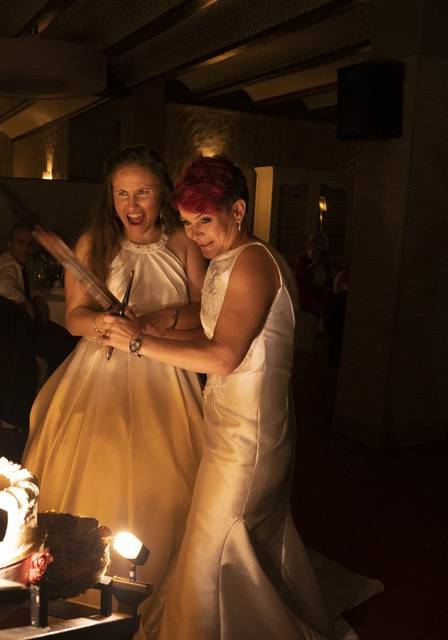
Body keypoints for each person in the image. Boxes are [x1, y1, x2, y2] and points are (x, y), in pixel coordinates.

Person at [104, 156, 377, 640]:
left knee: (213, 550)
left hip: (248, 441)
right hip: (238, 427)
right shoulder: (231, 257)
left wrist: (137, 343)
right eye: (188, 224)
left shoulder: (252, 262)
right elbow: (213, 324)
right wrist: (159, 321)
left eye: (204, 221)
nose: (196, 235)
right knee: (240, 540)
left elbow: (225, 356)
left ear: (238, 209)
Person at [22, 145, 206, 640]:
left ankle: (153, 583)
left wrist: (154, 321)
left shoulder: (184, 245)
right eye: (122, 193)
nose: (132, 203)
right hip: (98, 372)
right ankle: (78, 584)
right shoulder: (91, 245)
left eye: (142, 192)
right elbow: (73, 317)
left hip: (164, 369)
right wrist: (101, 322)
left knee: (167, 476)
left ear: (162, 193)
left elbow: (203, 313)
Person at [0, 223, 76, 373]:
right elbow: (2, 287)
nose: (26, 248)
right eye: (21, 242)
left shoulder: (14, 263)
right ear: (10, 244)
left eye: (30, 244)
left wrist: (34, 297)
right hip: (7, 334)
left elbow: (21, 286)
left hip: (9, 330)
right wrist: (24, 301)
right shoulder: (9, 265)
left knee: (62, 337)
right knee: (64, 341)